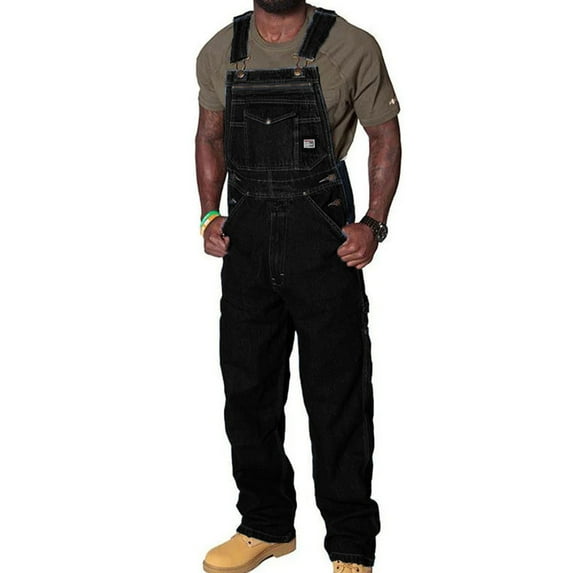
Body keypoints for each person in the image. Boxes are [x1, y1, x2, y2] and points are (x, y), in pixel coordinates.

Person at [195, 1, 401, 572]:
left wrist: (374, 224)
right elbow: (209, 135)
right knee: (248, 392)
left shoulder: (351, 45)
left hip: (323, 238)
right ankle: (265, 525)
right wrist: (208, 214)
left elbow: (384, 135)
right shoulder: (221, 50)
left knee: (337, 395)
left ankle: (351, 543)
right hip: (247, 243)